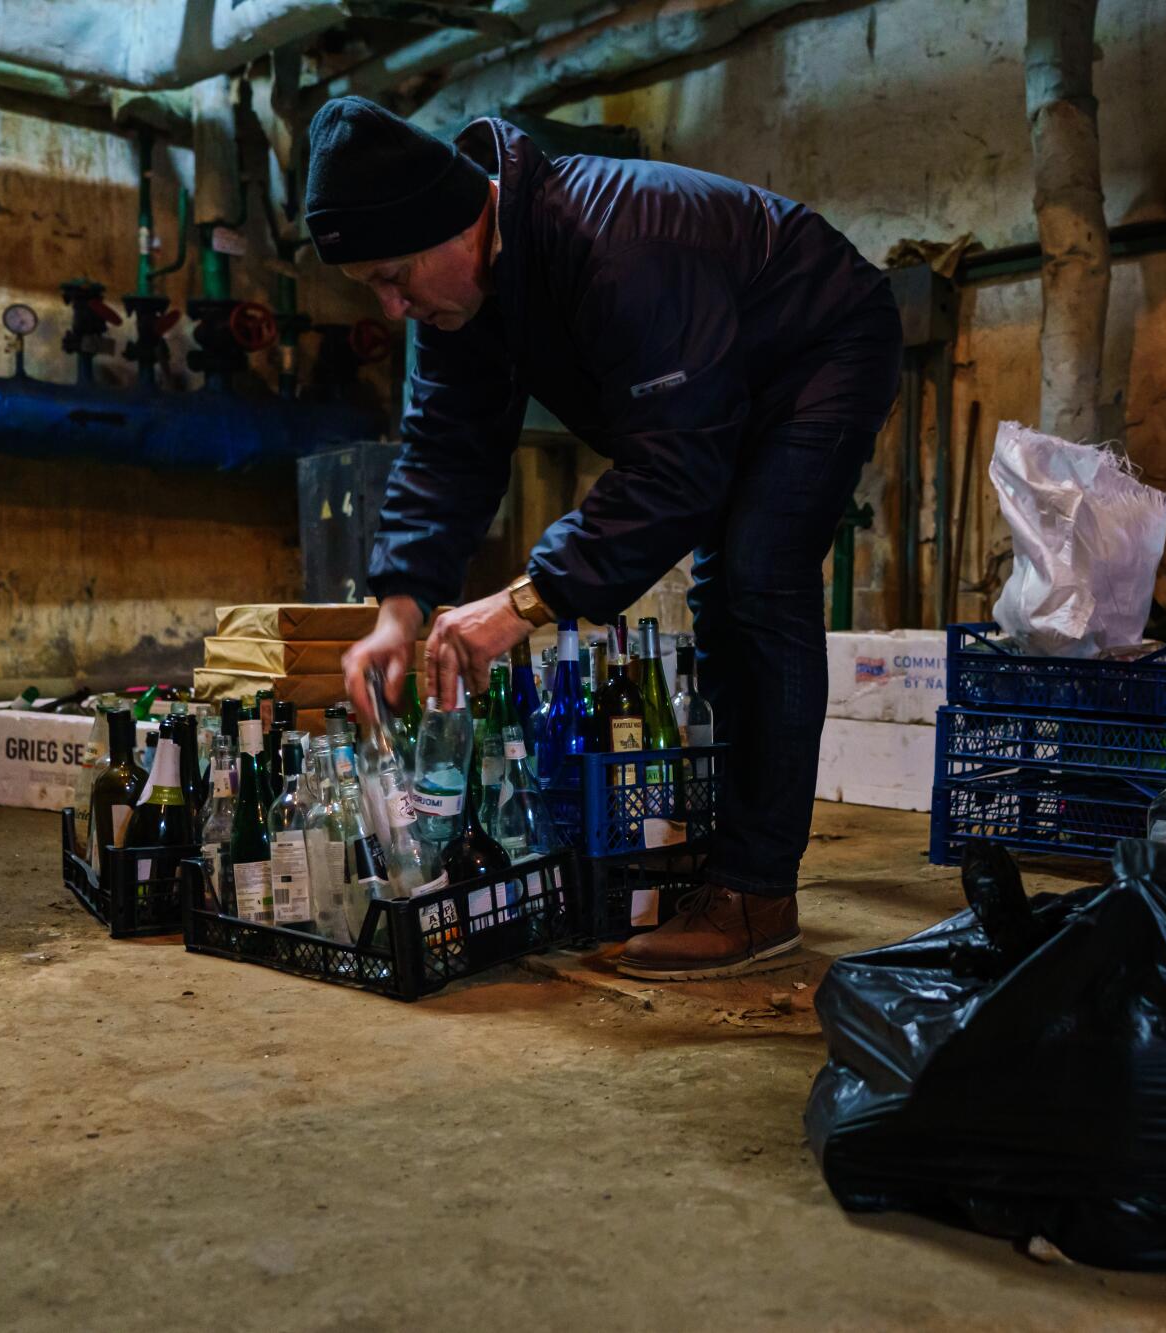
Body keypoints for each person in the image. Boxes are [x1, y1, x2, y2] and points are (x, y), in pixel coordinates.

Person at [309, 96, 900, 980]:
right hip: (722, 378)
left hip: (821, 342)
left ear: (454, 225)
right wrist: (399, 608)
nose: (394, 308)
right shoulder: (455, 297)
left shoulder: (616, 243)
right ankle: (737, 864)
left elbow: (675, 471)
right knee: (719, 595)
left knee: (757, 574)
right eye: (373, 291)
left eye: (395, 277)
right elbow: (446, 451)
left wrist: (524, 603)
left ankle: (758, 893)